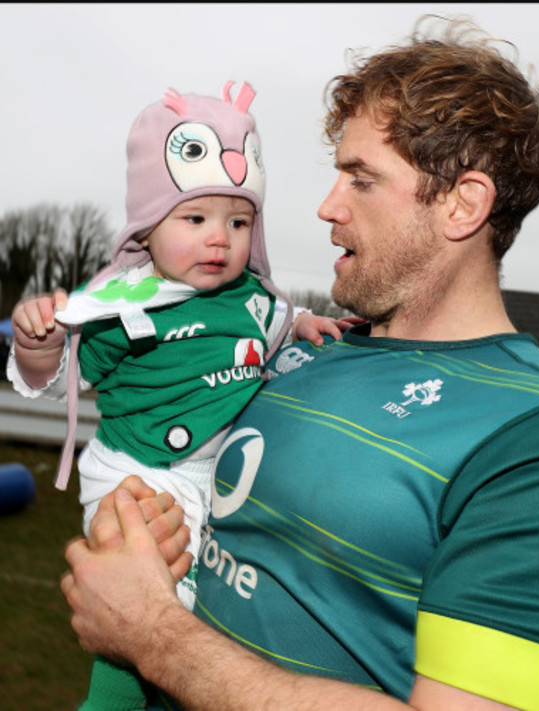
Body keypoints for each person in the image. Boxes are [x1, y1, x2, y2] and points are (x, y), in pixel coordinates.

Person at [61, 16, 539, 711]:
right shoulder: (299, 351)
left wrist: (150, 634)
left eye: (360, 179)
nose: (325, 206)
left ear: (463, 204)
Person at [9, 83, 353, 710]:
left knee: (216, 616)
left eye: (239, 221)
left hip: (216, 477)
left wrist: (302, 323)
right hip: (137, 473)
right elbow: (51, 378)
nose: (219, 238)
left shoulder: (255, 299)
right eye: (195, 219)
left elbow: (276, 320)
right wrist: (39, 339)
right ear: (149, 224)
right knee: (152, 607)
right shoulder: (122, 306)